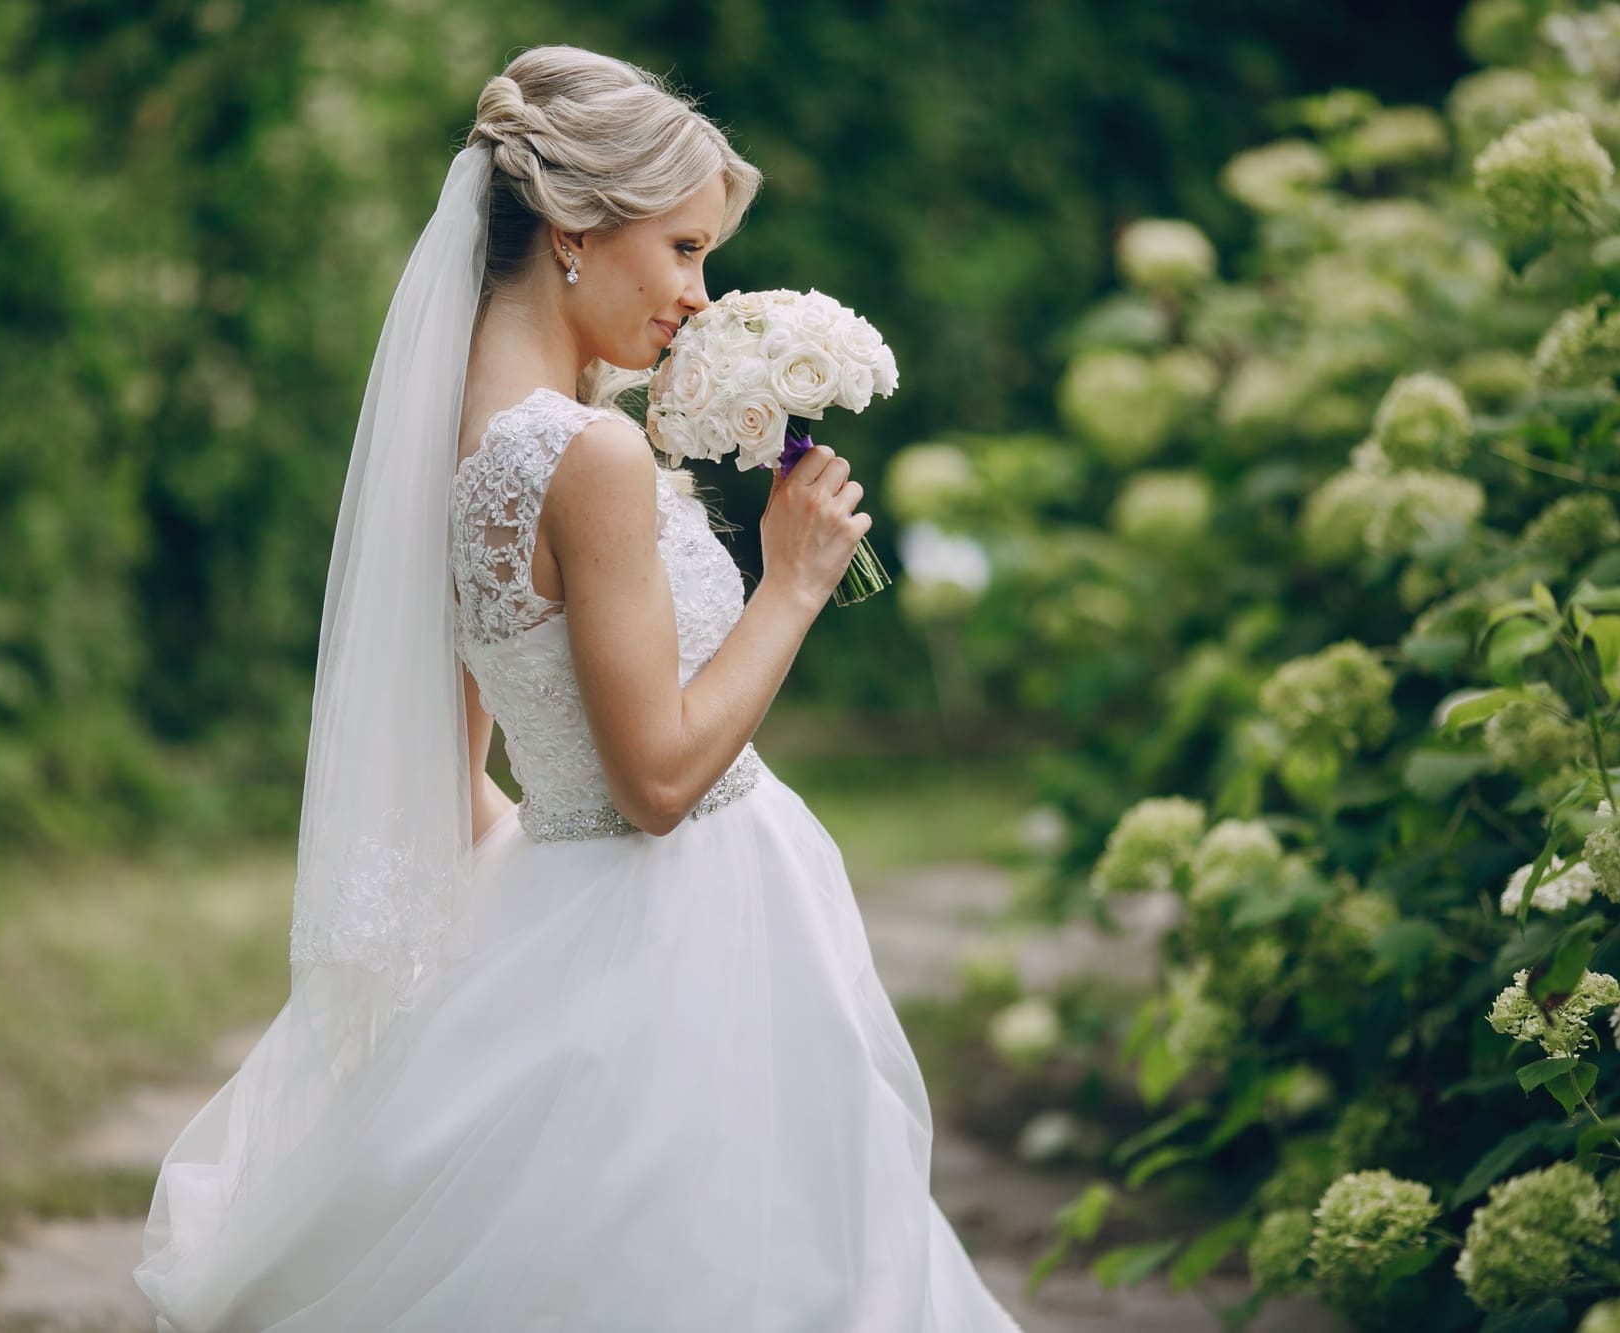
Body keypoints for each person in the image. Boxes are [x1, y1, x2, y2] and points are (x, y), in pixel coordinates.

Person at [135, 43, 1024, 1332]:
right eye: (682, 250)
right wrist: (794, 583)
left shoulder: (462, 433)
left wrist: (543, 888)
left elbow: (459, 755)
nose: (700, 296)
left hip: (578, 905)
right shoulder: (589, 453)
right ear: (571, 228)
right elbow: (658, 783)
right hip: (693, 924)